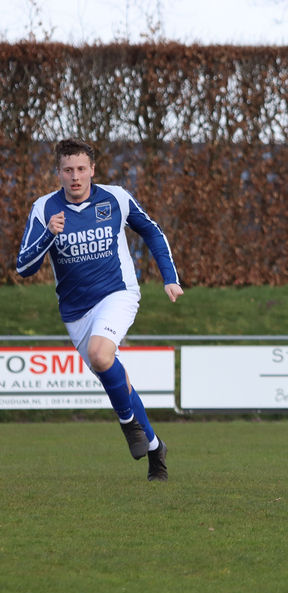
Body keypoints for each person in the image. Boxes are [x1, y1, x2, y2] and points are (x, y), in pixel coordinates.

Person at [17, 138, 183, 481]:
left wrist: (169, 277)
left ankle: (127, 424)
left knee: (100, 354)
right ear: (59, 172)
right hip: (76, 311)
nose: (75, 176)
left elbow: (152, 232)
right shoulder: (44, 208)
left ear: (92, 169)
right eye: (68, 170)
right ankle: (155, 448)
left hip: (117, 293)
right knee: (115, 376)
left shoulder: (116, 198)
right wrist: (49, 235)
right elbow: (23, 267)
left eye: (81, 169)